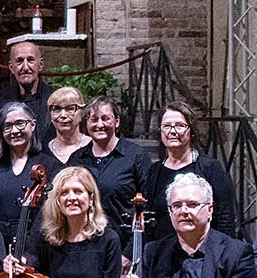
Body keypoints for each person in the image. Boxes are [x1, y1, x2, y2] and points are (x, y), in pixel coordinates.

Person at [142, 100, 240, 241]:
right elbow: (151, 217)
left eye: (180, 126)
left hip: (202, 254)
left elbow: (225, 217)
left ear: (191, 130)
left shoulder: (210, 168)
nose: (172, 131)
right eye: (167, 126)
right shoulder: (155, 170)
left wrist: (221, 254)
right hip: (163, 254)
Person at [0, 101, 62, 240]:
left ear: (33, 125)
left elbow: (53, 211)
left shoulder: (49, 164)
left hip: (33, 241)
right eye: (7, 126)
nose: (14, 131)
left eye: (20, 123)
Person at [73, 96, 153, 232]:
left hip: (124, 242)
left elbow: (149, 203)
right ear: (86, 123)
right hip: (84, 239)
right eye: (94, 119)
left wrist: (130, 250)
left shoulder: (136, 156)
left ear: (116, 121)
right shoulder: (76, 159)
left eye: (105, 118)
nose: (99, 125)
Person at [0, 40, 54, 152]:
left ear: (40, 65)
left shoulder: (55, 99)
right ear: (11, 67)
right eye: (19, 61)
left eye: (30, 60)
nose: (25, 67)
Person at [45, 86, 88, 163]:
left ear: (82, 113)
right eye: (57, 109)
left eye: (70, 108)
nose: (63, 115)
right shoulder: (44, 151)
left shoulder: (93, 147)